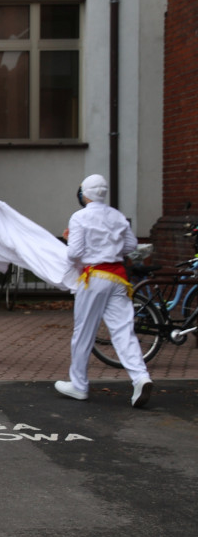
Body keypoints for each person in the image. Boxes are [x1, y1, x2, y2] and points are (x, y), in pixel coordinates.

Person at [55, 174, 154, 408]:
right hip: (118, 277)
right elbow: (130, 246)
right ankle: (140, 377)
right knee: (123, 331)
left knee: (83, 332)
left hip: (94, 277)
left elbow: (74, 253)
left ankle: (79, 385)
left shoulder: (79, 216)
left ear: (84, 194)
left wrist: (70, 240)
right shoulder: (117, 215)